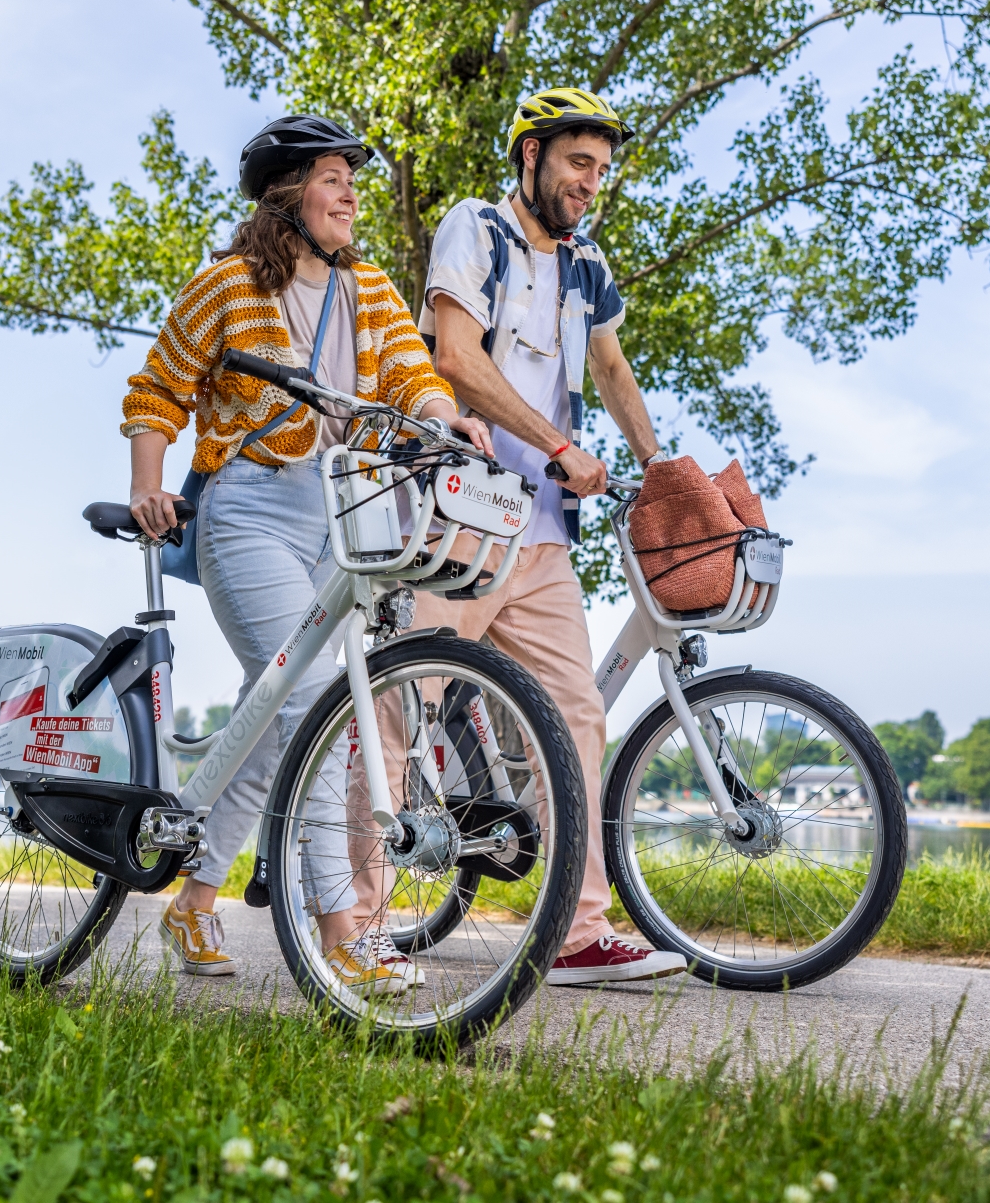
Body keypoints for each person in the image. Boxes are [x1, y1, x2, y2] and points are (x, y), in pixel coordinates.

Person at [122, 114, 492, 992]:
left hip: (337, 516)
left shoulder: (367, 288)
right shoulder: (224, 286)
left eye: (350, 180)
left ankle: (193, 901)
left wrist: (449, 422)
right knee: (316, 712)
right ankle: (344, 935)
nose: (351, 193)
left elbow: (412, 373)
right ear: (288, 196)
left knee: (270, 722)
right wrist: (149, 481)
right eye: (333, 179)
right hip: (246, 511)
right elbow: (158, 389)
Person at [348, 87, 690, 984]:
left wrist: (658, 467)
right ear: (531, 155)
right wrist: (558, 447)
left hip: (540, 541)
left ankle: (578, 931)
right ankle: (361, 927)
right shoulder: (477, 229)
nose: (592, 184)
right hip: (454, 518)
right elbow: (455, 357)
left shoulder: (587, 267)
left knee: (577, 717)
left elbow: (610, 366)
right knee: (399, 710)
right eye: (579, 163)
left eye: (603, 171)